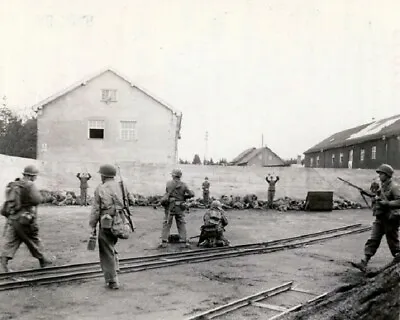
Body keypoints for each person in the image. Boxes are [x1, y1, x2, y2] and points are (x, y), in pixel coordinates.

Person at [0, 165, 53, 272]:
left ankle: (3, 263)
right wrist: (45, 197)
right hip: (26, 219)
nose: (35, 178)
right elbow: (36, 200)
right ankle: (43, 260)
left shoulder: (14, 184)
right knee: (33, 239)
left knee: (11, 241)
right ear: (31, 176)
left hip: (13, 218)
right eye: (35, 176)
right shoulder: (29, 185)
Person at [89, 164, 133, 289]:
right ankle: (115, 268)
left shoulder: (100, 188)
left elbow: (96, 210)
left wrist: (92, 225)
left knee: (106, 249)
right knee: (111, 244)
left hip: (106, 222)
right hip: (121, 221)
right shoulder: (122, 186)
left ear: (103, 176)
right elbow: (131, 201)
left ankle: (112, 280)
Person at [351, 164, 400, 272]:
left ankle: (398, 261)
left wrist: (387, 204)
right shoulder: (381, 186)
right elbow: (376, 196)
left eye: (381, 174)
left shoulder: (394, 187)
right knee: (373, 239)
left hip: (390, 219)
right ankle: (364, 261)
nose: (379, 176)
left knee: (393, 243)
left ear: (387, 175)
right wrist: (366, 193)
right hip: (380, 218)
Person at [159, 169, 194, 248]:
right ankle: (183, 241)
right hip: (179, 207)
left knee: (167, 223)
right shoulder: (184, 185)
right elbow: (191, 194)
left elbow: (167, 192)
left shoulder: (168, 183)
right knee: (181, 223)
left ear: (173, 175)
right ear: (180, 176)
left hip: (170, 206)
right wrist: (184, 196)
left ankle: (164, 241)